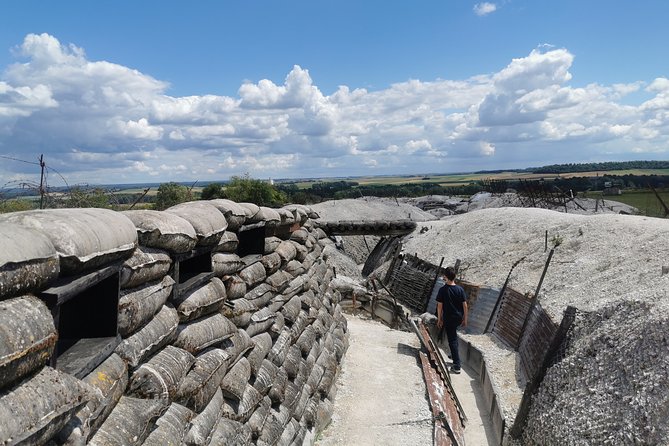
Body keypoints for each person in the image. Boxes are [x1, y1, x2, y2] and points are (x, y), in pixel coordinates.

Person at [436, 266, 468, 374]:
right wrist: (465, 319)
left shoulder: (443, 290)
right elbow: (465, 306)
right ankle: (454, 355)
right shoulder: (460, 289)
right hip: (458, 317)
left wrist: (439, 319)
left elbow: (439, 306)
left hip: (449, 318)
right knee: (453, 335)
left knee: (452, 340)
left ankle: (457, 365)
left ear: (445, 277)